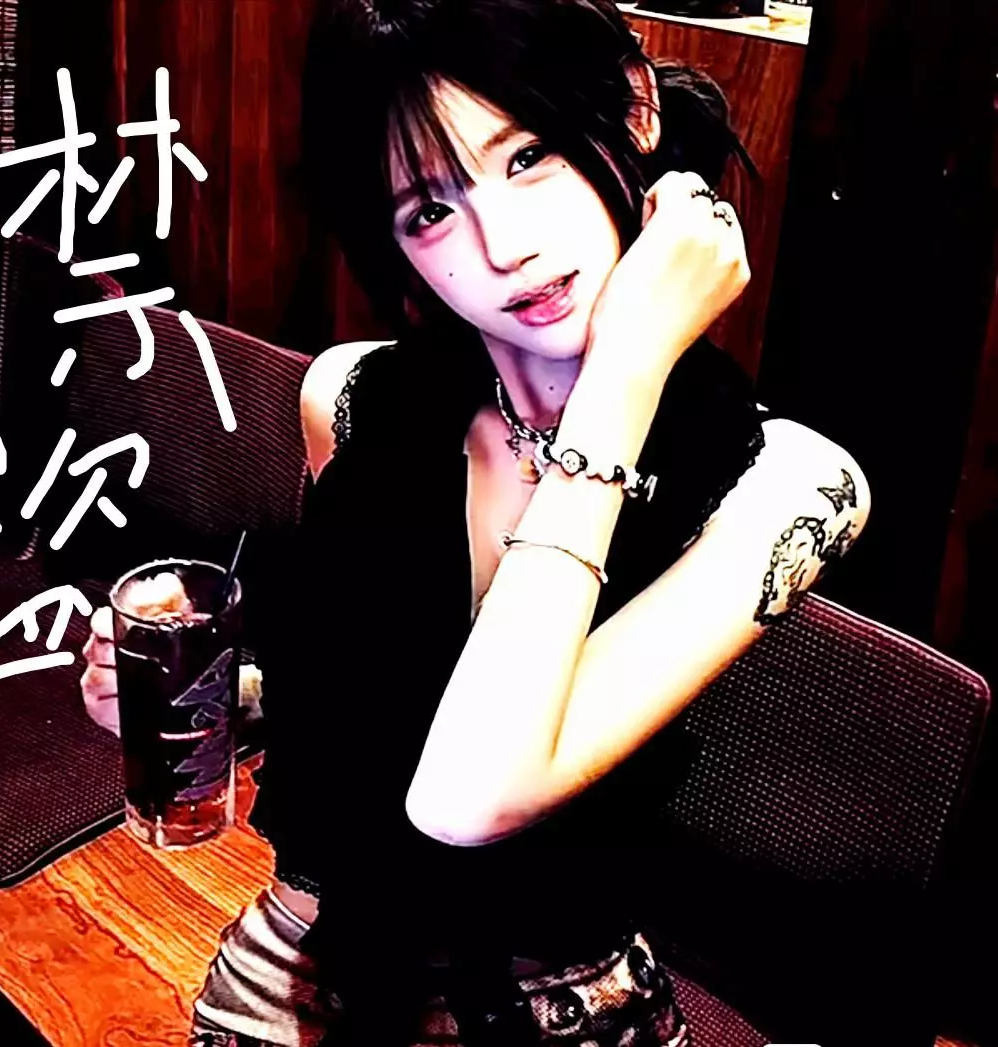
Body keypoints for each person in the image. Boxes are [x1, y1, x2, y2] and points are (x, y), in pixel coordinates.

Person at [81, 1, 872, 1043]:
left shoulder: (787, 483)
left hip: (560, 1006)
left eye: (528, 156)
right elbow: (374, 702)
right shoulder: (353, 400)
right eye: (428, 210)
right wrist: (219, 702)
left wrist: (627, 370)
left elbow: (470, 796)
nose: (503, 248)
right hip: (300, 969)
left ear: (632, 108)